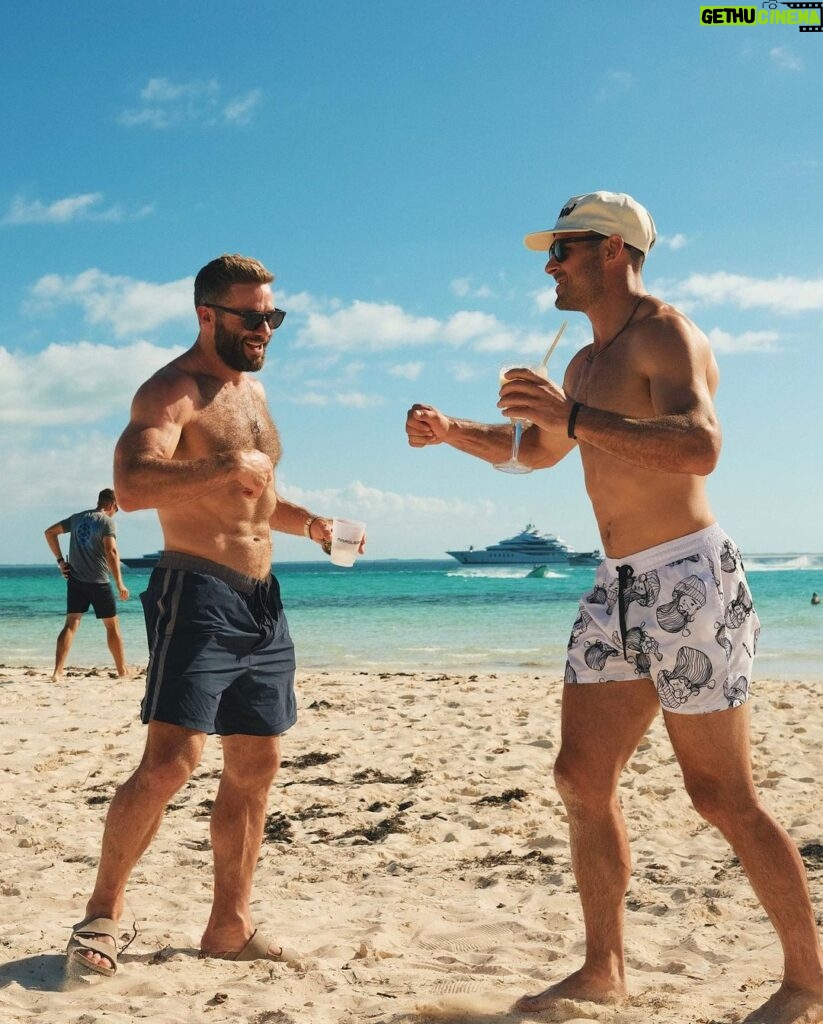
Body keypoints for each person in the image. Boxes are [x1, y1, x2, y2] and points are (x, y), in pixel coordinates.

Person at [406, 192, 823, 1024]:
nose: (547, 266)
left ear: (608, 249)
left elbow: (698, 445)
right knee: (579, 778)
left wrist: (574, 415)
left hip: (688, 580)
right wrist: (455, 429)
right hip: (615, 589)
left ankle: (808, 983)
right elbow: (538, 450)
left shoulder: (666, 333)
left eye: (559, 250)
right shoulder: (583, 362)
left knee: (719, 796)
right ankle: (603, 971)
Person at [66, 254, 358, 978]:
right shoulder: (173, 391)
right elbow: (131, 485)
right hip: (196, 592)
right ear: (208, 316)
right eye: (252, 316)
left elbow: (254, 501)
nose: (265, 328)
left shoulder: (251, 393)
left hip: (262, 600)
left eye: (273, 317)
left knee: (256, 762)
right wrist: (220, 470)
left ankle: (229, 925)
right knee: (170, 765)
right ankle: (101, 915)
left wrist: (312, 523)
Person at [44, 488, 129, 682]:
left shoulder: (77, 519)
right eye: (117, 508)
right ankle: (122, 671)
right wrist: (120, 583)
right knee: (112, 626)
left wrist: (60, 562)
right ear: (112, 505)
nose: (117, 512)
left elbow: (49, 533)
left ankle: (57, 672)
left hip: (76, 581)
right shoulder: (107, 522)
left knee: (71, 625)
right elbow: (111, 552)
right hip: (99, 583)